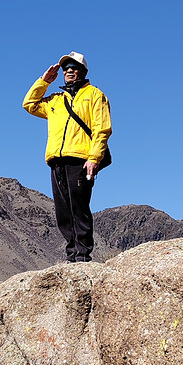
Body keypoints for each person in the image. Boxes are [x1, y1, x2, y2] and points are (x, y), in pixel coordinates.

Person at [23, 52, 112, 263]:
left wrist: (94, 158)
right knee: (63, 211)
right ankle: (72, 255)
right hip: (56, 161)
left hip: (81, 160)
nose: (69, 70)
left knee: (79, 208)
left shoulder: (95, 95)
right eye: (66, 68)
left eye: (73, 66)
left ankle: (82, 255)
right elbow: (29, 104)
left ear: (83, 71)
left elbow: (102, 130)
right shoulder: (56, 100)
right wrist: (43, 81)